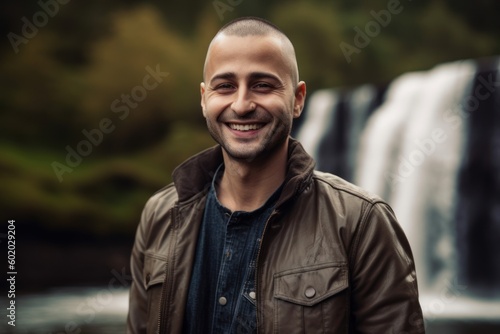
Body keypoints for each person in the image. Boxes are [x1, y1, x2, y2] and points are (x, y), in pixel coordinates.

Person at [127, 16, 424, 334]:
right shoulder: (159, 215)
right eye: (225, 86)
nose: (241, 105)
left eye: (262, 85)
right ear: (204, 98)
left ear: (297, 99)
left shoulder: (362, 223)